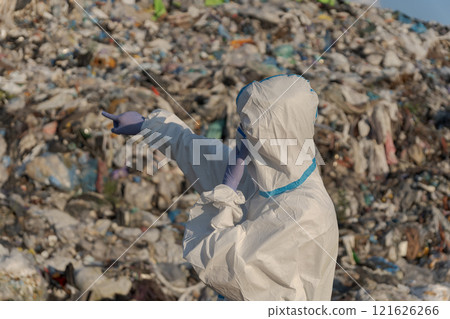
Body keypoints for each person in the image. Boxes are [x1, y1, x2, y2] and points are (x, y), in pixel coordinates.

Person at [102, 74, 339, 300]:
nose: (241, 134)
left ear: (278, 135)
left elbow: (220, 264)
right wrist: (149, 127)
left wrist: (225, 194)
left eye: (250, 128)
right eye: (242, 123)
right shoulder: (259, 172)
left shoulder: (306, 212)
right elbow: (194, 151)